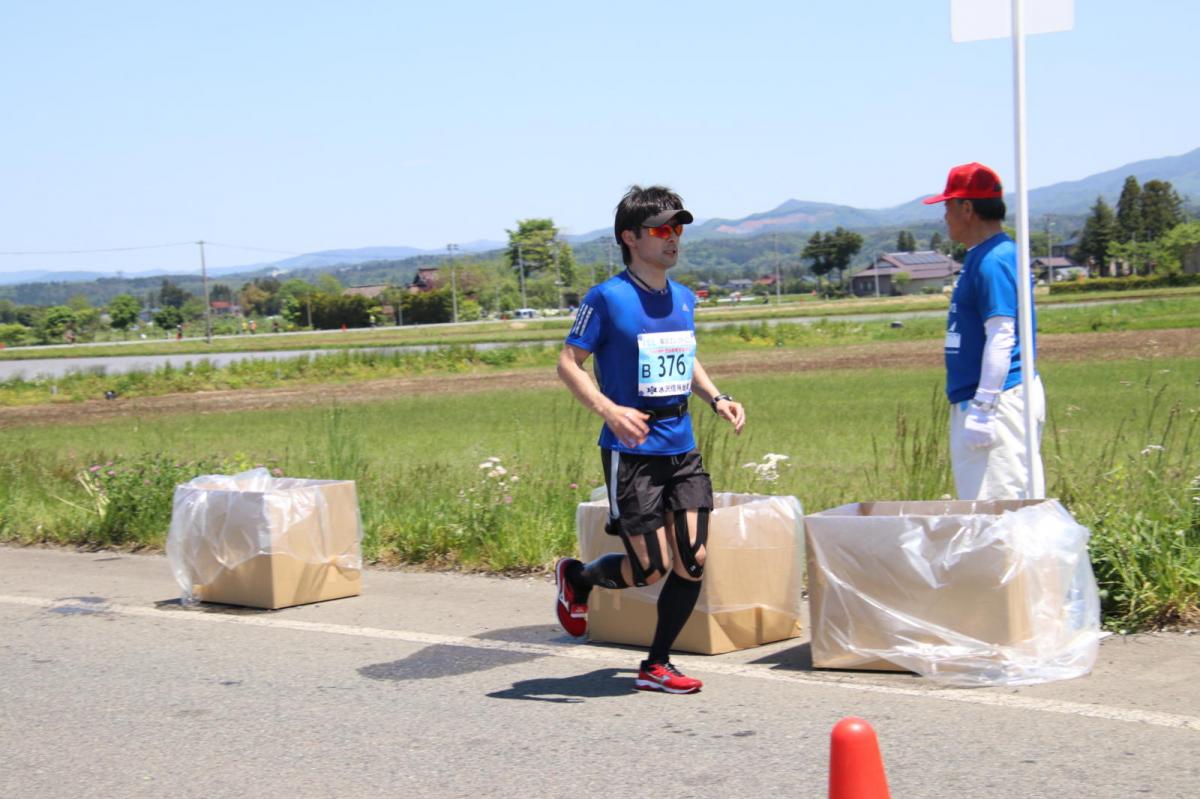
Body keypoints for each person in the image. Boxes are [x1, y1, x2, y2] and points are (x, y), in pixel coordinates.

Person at [554, 185, 746, 694]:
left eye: (677, 228)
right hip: (631, 451)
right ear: (630, 237)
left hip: (680, 445)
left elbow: (686, 357)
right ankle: (578, 578)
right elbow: (567, 363)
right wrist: (609, 410)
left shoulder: (683, 298)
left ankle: (656, 664)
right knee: (650, 568)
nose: (673, 238)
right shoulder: (607, 298)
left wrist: (715, 397)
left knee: (694, 559)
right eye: (662, 229)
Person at [923, 162, 1045, 500]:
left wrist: (984, 407)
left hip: (996, 400)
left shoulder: (993, 260)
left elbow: (1002, 334)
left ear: (967, 208)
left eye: (947, 205)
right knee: (989, 509)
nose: (944, 215)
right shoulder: (986, 256)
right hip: (986, 398)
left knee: (998, 512)